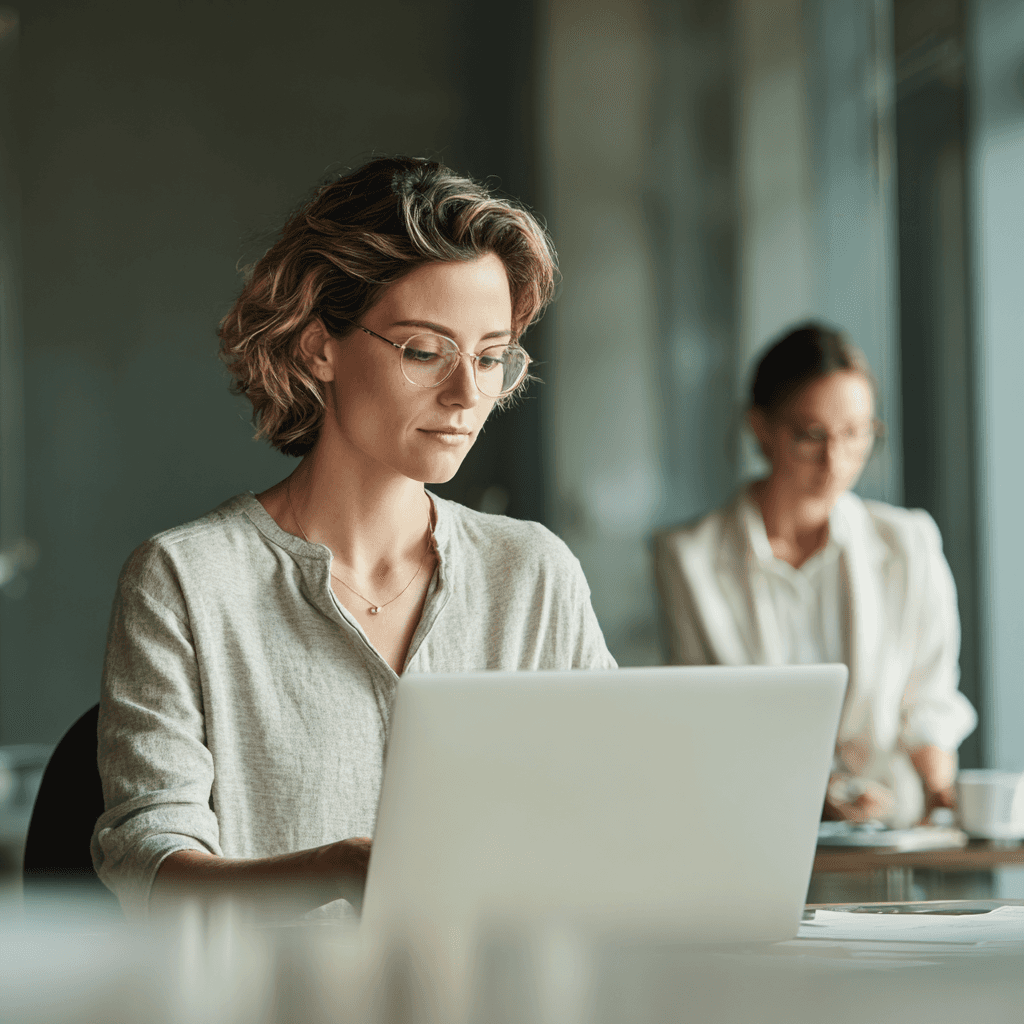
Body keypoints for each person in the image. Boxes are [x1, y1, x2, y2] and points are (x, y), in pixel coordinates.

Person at [92, 157, 615, 917]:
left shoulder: (532, 573)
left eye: (492, 356)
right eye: (425, 350)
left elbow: (614, 814)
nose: (469, 393)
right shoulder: (186, 577)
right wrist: (332, 870)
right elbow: (148, 862)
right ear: (317, 347)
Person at [653, 323, 976, 828]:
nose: (836, 461)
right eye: (811, 436)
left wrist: (941, 792)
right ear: (761, 428)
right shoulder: (689, 559)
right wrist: (808, 792)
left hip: (887, 831)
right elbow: (705, 720)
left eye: (856, 434)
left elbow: (929, 696)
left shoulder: (908, 543)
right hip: (753, 826)